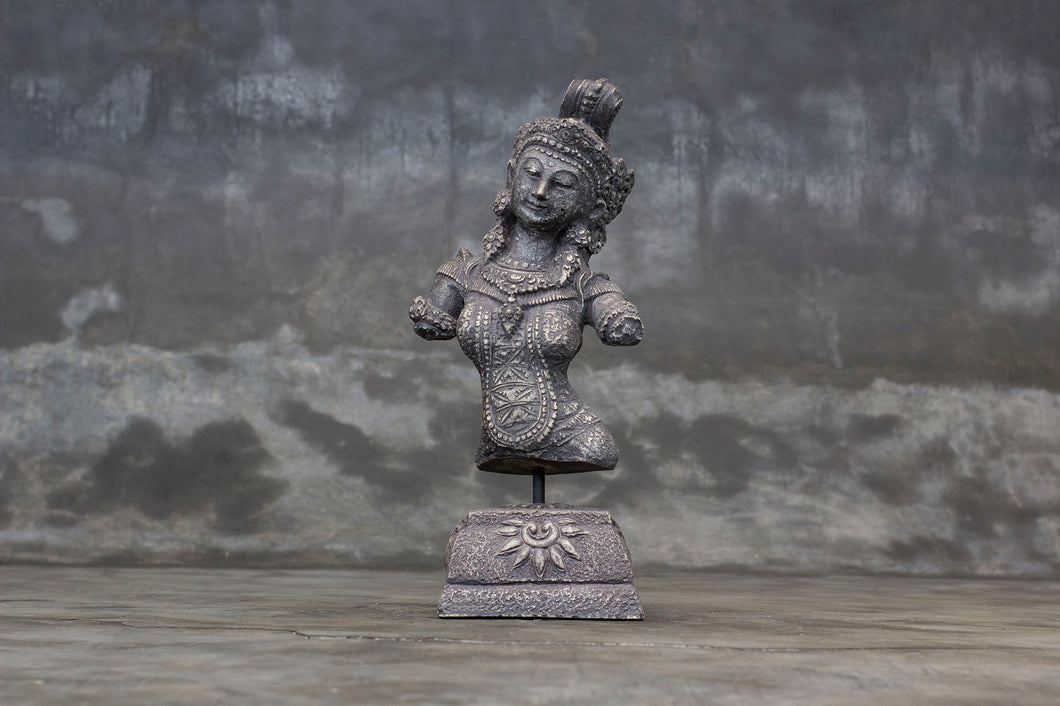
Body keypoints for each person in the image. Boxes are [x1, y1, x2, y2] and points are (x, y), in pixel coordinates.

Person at [410, 78, 642, 478]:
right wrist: (430, 317)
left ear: (590, 205)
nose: (540, 191)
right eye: (532, 174)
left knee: (598, 451)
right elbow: (435, 317)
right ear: (512, 175)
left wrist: (619, 320)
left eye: (562, 183)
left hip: (574, 436)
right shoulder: (467, 273)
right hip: (494, 440)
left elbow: (618, 318)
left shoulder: (583, 286)